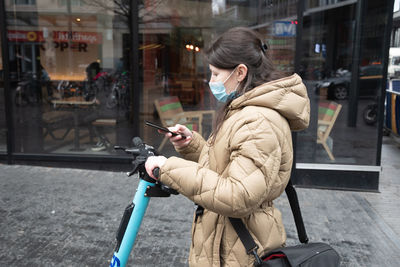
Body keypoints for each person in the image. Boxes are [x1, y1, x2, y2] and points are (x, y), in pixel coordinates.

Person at [145, 27, 310, 266]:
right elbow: (230, 166)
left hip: (238, 251)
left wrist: (168, 168)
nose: (210, 82)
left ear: (240, 72)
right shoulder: (244, 110)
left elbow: (238, 195)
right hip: (227, 243)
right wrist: (193, 144)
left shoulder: (258, 121)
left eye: (215, 74)